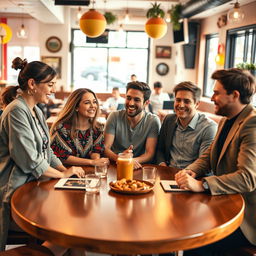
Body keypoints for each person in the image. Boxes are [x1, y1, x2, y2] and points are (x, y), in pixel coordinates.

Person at [0, 57, 85, 254]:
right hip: (15, 192)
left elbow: (47, 151)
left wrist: (66, 170)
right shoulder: (16, 111)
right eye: (50, 84)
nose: (53, 90)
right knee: (70, 226)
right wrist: (63, 176)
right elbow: (30, 160)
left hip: (33, 185)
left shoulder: (36, 111)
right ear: (32, 84)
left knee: (73, 219)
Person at [175, 68, 256, 255]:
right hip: (224, 203)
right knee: (182, 223)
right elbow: (210, 155)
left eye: (216, 93)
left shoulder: (252, 123)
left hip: (246, 218)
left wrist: (202, 184)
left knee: (195, 240)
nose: (211, 98)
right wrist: (191, 171)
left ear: (234, 95)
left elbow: (247, 178)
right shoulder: (226, 119)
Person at [156, 81, 217, 169]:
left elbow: (204, 164)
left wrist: (183, 176)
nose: (181, 105)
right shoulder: (169, 120)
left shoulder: (208, 128)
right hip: (168, 173)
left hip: (193, 178)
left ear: (197, 104)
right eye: (178, 100)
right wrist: (162, 165)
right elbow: (160, 150)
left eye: (187, 101)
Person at [104, 81, 161, 169]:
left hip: (140, 166)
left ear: (146, 103)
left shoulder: (153, 121)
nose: (131, 103)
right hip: (115, 165)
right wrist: (122, 159)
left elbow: (149, 153)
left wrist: (131, 161)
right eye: (128, 98)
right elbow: (106, 148)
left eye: (137, 100)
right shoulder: (114, 116)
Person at [50, 88, 109, 166]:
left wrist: (97, 161)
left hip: (89, 173)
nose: (93, 106)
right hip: (65, 172)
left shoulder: (98, 127)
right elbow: (62, 157)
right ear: (76, 107)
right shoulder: (61, 128)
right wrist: (92, 162)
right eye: (87, 103)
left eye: (94, 102)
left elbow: (96, 151)